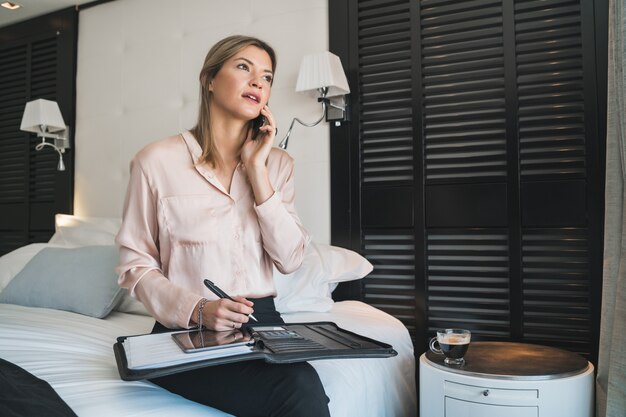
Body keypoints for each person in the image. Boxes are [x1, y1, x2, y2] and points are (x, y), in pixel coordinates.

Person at [115, 35, 331, 417]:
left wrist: (258, 171)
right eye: (243, 67)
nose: (257, 82)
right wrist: (198, 309)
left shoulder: (278, 165)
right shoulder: (155, 162)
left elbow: (291, 259)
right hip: (182, 329)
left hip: (262, 323)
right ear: (209, 80)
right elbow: (135, 264)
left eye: (266, 77)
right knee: (297, 391)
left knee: (302, 384)